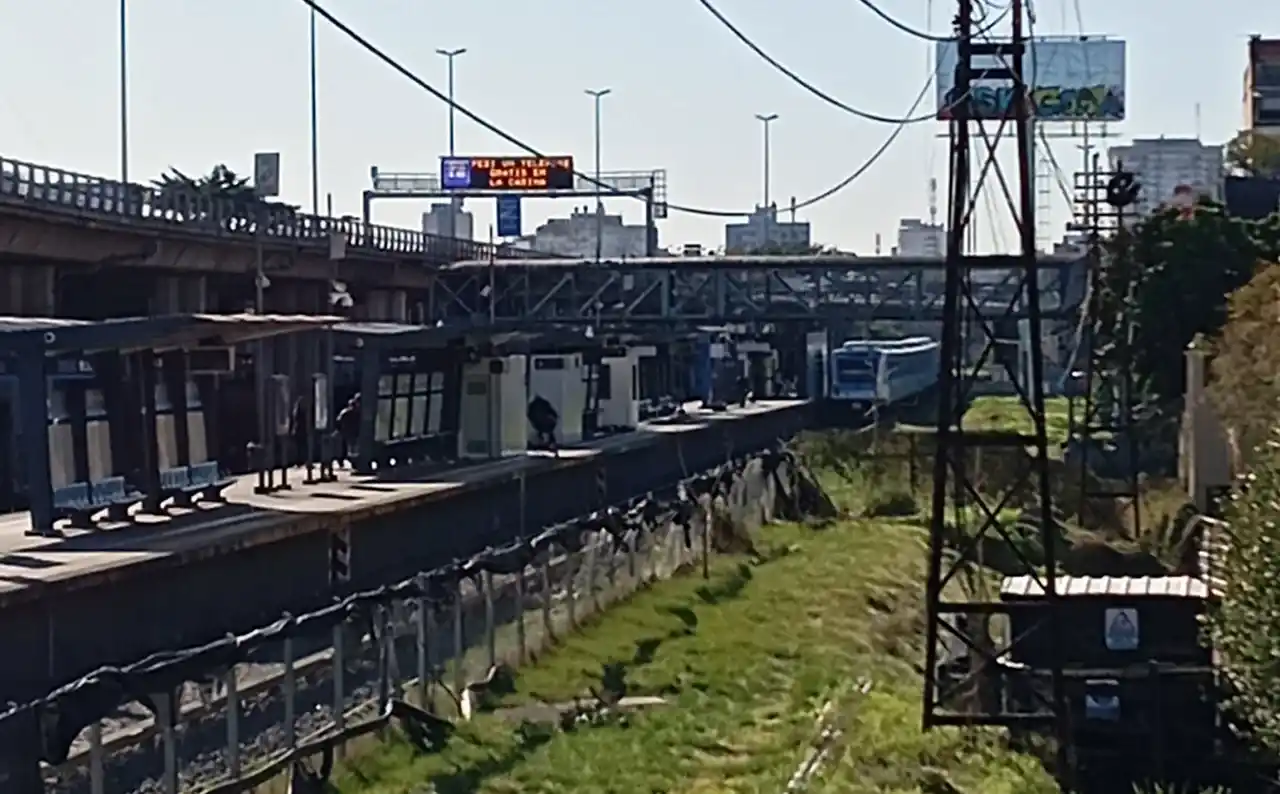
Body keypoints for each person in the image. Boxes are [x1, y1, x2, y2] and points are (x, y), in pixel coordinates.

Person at [335, 393, 361, 468]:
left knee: (349, 448)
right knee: (348, 448)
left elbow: (338, 421)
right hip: (349, 432)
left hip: (350, 432)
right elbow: (339, 421)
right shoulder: (348, 412)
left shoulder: (347, 412)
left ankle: (349, 461)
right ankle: (347, 461)